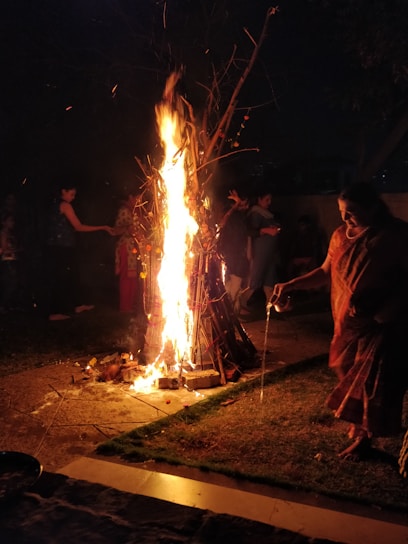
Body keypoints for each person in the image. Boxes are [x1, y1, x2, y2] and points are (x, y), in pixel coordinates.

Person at [271, 182, 408, 461]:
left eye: (353, 212)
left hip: (380, 323)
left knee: (369, 383)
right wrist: (292, 284)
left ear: (372, 207)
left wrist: (393, 307)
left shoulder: (395, 236)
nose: (345, 218)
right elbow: (325, 271)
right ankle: (361, 432)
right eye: (342, 212)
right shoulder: (339, 237)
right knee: (344, 368)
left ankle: (363, 440)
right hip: (345, 323)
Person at [45, 182, 115, 321]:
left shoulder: (53, 204)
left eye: (74, 195)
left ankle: (75, 305)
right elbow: (78, 226)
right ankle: (55, 312)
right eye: (71, 194)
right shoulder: (65, 205)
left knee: (71, 276)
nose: (73, 197)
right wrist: (103, 227)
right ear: (63, 191)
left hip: (58, 247)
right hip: (61, 248)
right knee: (62, 278)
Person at [239, 189, 281, 316]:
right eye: (266, 199)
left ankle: (270, 308)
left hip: (269, 253)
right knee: (255, 280)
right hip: (260, 253)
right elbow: (250, 232)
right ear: (259, 199)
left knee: (269, 280)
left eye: (270, 199)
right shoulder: (256, 214)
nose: (269, 202)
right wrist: (266, 230)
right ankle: (238, 303)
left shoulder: (267, 214)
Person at [217, 189, 250, 312]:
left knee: (234, 285)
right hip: (231, 255)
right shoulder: (232, 216)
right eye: (243, 203)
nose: (245, 207)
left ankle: (232, 311)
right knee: (232, 285)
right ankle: (229, 311)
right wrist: (236, 205)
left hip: (235, 255)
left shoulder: (240, 217)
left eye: (246, 204)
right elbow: (223, 223)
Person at [113, 190, 146, 314]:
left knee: (133, 277)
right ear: (130, 196)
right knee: (127, 277)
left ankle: (130, 305)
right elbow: (116, 230)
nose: (140, 201)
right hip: (126, 246)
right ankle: (125, 307)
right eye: (138, 198)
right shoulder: (124, 211)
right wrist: (128, 229)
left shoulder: (135, 211)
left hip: (135, 248)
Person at [0, 213, 21, 312]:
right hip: (7, 260)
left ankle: (9, 304)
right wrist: (17, 250)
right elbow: (4, 249)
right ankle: (3, 304)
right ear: (4, 222)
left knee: (14, 282)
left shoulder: (11, 233)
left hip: (13, 259)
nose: (13, 223)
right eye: (10, 221)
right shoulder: (3, 233)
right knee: (10, 283)